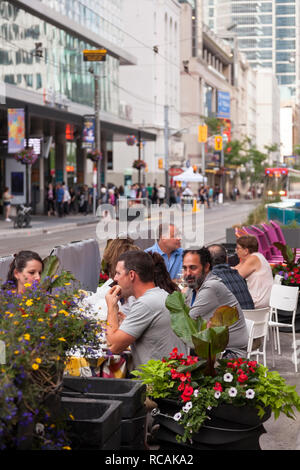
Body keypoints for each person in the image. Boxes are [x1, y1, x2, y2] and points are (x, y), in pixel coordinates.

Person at [105, 251, 187, 369]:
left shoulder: (146, 303)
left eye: (118, 273)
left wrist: (111, 307)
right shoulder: (161, 294)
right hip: (171, 377)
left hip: (158, 383)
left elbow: (113, 346)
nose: (115, 278)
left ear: (132, 275)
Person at [182, 247, 248, 358]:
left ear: (206, 267)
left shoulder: (211, 286)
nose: (188, 273)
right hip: (211, 348)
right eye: (184, 268)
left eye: (193, 268)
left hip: (230, 355)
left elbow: (186, 322)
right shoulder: (193, 288)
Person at [207, 244, 255, 310]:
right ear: (227, 259)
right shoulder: (237, 275)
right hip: (252, 318)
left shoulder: (210, 279)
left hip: (233, 319)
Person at [234, 235, 273, 308]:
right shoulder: (256, 256)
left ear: (246, 251)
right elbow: (235, 269)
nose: (236, 250)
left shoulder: (253, 259)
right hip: (264, 300)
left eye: (238, 248)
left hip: (258, 302)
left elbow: (235, 277)